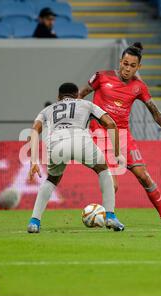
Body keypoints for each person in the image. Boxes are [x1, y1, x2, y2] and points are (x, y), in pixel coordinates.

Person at [79, 42, 161, 228]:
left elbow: (153, 109)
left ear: (138, 67)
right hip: (100, 132)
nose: (127, 69)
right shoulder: (102, 76)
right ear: (120, 61)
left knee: (143, 175)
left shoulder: (139, 87)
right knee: (112, 183)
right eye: (125, 63)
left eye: (132, 66)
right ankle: (110, 217)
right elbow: (81, 95)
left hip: (123, 135)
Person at [27, 83, 125, 233]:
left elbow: (34, 130)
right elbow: (110, 123)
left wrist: (34, 161)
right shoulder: (86, 104)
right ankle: (110, 216)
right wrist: (117, 153)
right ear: (77, 95)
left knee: (52, 180)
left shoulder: (47, 110)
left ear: (58, 97)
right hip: (81, 142)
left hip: (56, 145)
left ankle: (34, 222)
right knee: (103, 170)